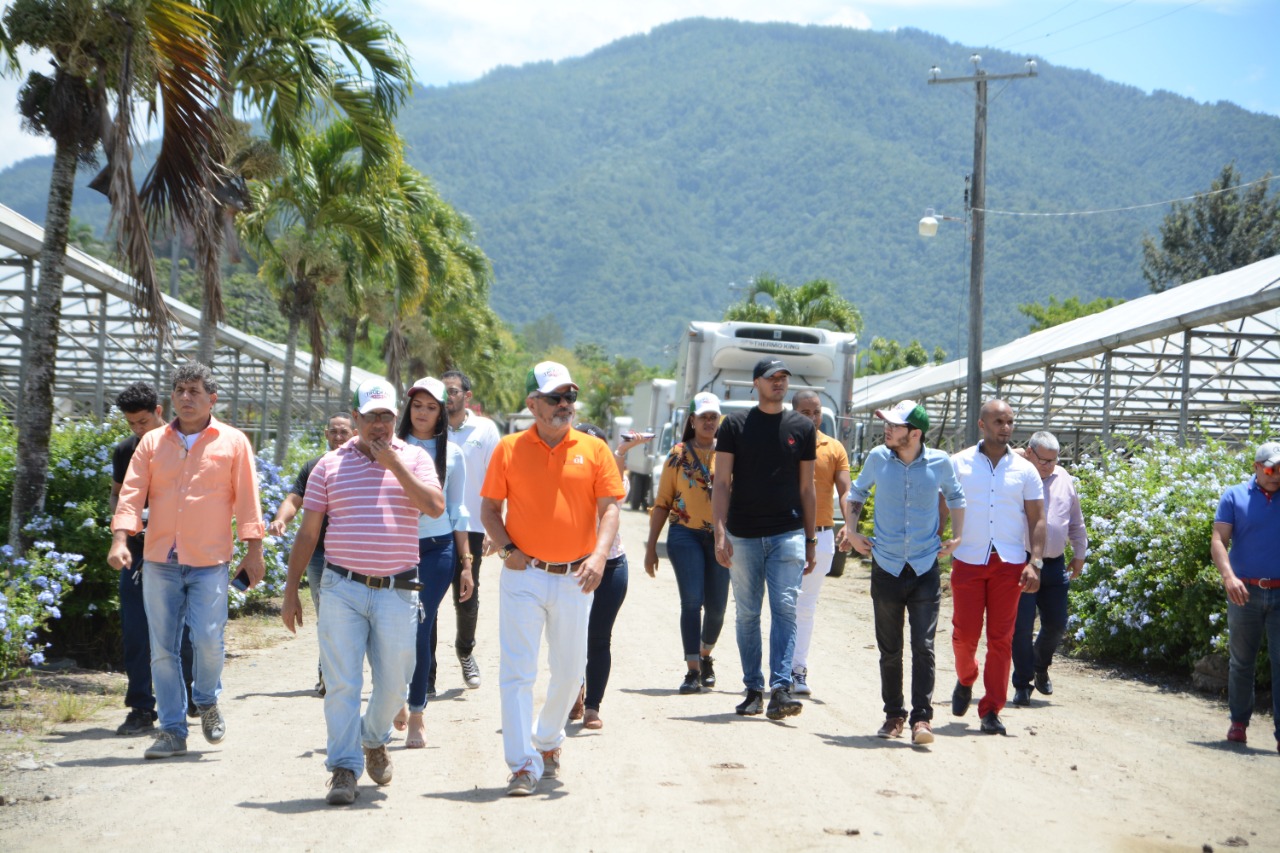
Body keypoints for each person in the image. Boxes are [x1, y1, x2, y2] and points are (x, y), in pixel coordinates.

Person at [280, 378, 444, 806]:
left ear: (396, 418)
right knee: (342, 684)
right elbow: (309, 532)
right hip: (342, 588)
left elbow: (434, 507)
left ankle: (373, 738)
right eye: (371, 417)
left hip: (398, 589)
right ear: (355, 419)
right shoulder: (329, 466)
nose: (379, 425)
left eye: (387, 416)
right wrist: (291, 590)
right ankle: (343, 769)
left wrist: (395, 467)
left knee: (395, 683)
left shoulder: (416, 459)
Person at [108, 362, 265, 761]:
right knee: (162, 648)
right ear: (171, 398)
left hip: (209, 559)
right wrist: (120, 538)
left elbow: (247, 499)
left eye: (195, 390)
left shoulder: (232, 442)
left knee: (209, 640)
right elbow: (130, 494)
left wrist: (254, 550)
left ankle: (207, 700)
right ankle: (173, 730)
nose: (186, 397)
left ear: (212, 399)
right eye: (180, 389)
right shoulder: (152, 443)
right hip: (160, 559)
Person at [480, 361, 623, 796]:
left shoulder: (594, 450)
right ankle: (522, 763)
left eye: (569, 397)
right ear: (532, 404)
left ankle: (547, 742)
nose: (565, 405)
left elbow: (611, 508)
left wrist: (599, 556)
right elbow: (489, 509)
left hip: (575, 577)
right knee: (517, 673)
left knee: (568, 670)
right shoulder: (508, 448)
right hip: (525, 576)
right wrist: (508, 551)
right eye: (554, 398)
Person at [840, 400, 965, 745]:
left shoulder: (940, 462)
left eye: (895, 426)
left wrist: (958, 537)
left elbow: (957, 496)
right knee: (890, 647)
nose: (888, 429)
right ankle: (894, 714)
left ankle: (922, 719)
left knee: (923, 646)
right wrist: (851, 530)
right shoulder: (879, 458)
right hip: (887, 565)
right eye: (889, 425)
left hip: (925, 566)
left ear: (915, 433)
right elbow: (857, 492)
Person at [713, 358, 816, 721]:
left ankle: (781, 688)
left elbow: (807, 487)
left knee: (786, 608)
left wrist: (811, 539)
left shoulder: (802, 427)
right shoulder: (734, 426)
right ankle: (754, 688)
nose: (779, 383)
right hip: (742, 534)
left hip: (787, 532)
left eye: (784, 377)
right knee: (747, 614)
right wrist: (720, 531)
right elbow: (722, 482)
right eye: (772, 377)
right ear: (756, 382)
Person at [948, 399, 1046, 736]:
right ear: (981, 424)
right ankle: (965, 678)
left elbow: (1038, 519)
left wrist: (1035, 561)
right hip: (967, 560)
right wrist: (934, 543)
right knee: (964, 636)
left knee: (1001, 638)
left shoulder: (1026, 470)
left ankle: (991, 709)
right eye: (998, 421)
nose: (1005, 427)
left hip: (1009, 564)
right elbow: (940, 509)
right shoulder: (958, 463)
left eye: (1009, 421)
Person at [108, 382, 194, 736]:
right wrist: (123, 533)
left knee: (187, 629)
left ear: (160, 411)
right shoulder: (125, 451)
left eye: (143, 421)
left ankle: (189, 698)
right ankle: (141, 707)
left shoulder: (184, 447)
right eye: (131, 424)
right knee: (135, 630)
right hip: (139, 552)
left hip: (183, 551)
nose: (138, 430)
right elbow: (116, 497)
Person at [395, 376, 472, 750]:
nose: (423, 413)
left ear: (442, 412)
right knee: (390, 629)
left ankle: (416, 713)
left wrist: (467, 563)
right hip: (393, 548)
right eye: (417, 405)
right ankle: (392, 695)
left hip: (437, 550)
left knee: (419, 628)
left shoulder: (453, 454)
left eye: (431, 407)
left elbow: (457, 510)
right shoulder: (390, 447)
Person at [644, 392, 728, 695]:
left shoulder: (730, 454)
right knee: (692, 601)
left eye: (713, 416)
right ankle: (692, 669)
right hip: (684, 534)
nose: (708, 421)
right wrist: (651, 546)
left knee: (717, 607)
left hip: (720, 536)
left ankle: (706, 656)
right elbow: (663, 502)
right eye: (703, 416)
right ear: (691, 420)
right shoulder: (677, 454)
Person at [268, 412, 355, 696]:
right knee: (328, 616)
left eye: (344, 432)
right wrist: (282, 519)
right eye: (334, 432)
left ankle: (344, 672)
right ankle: (328, 673)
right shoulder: (314, 466)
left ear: (355, 433)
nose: (339, 437)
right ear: (327, 435)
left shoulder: (364, 465)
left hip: (353, 555)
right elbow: (294, 499)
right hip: (318, 555)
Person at [573, 423, 650, 729]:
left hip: (612, 565)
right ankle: (574, 691)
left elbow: (615, 482)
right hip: (573, 566)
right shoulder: (565, 481)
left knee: (599, 637)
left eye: (599, 448)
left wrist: (619, 452)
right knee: (572, 637)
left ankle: (593, 706)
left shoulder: (616, 480)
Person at [1210, 440, 1280, 752]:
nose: (1276, 475)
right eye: (1271, 469)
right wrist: (1228, 577)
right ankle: (1239, 722)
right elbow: (1218, 540)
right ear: (1256, 467)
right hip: (1244, 592)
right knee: (1241, 662)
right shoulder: (1234, 496)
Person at [436, 369, 502, 692]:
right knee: (427, 600)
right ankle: (427, 673)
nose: (447, 396)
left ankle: (465, 651)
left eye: (452, 391)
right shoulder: (429, 429)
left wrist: (494, 525)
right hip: (433, 526)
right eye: (443, 391)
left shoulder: (485, 430)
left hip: (473, 527)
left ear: (467, 396)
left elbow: (497, 477)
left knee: (467, 596)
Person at [1011, 431, 1087, 707]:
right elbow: (995, 448)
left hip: (1054, 563)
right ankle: (1022, 683)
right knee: (1021, 625)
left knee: (1056, 624)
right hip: (1023, 561)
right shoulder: (1015, 474)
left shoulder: (1064, 478)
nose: (1048, 466)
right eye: (1042, 460)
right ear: (1028, 453)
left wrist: (1079, 553)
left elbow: (1076, 521)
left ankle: (1039, 666)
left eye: (1053, 460)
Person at [790, 389, 852, 696]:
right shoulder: (782, 444)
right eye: (805, 413)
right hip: (785, 533)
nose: (812, 418)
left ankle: (797, 669)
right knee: (783, 605)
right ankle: (779, 668)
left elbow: (845, 492)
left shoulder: (834, 448)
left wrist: (850, 526)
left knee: (806, 607)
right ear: (792, 414)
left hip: (823, 534)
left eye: (816, 412)